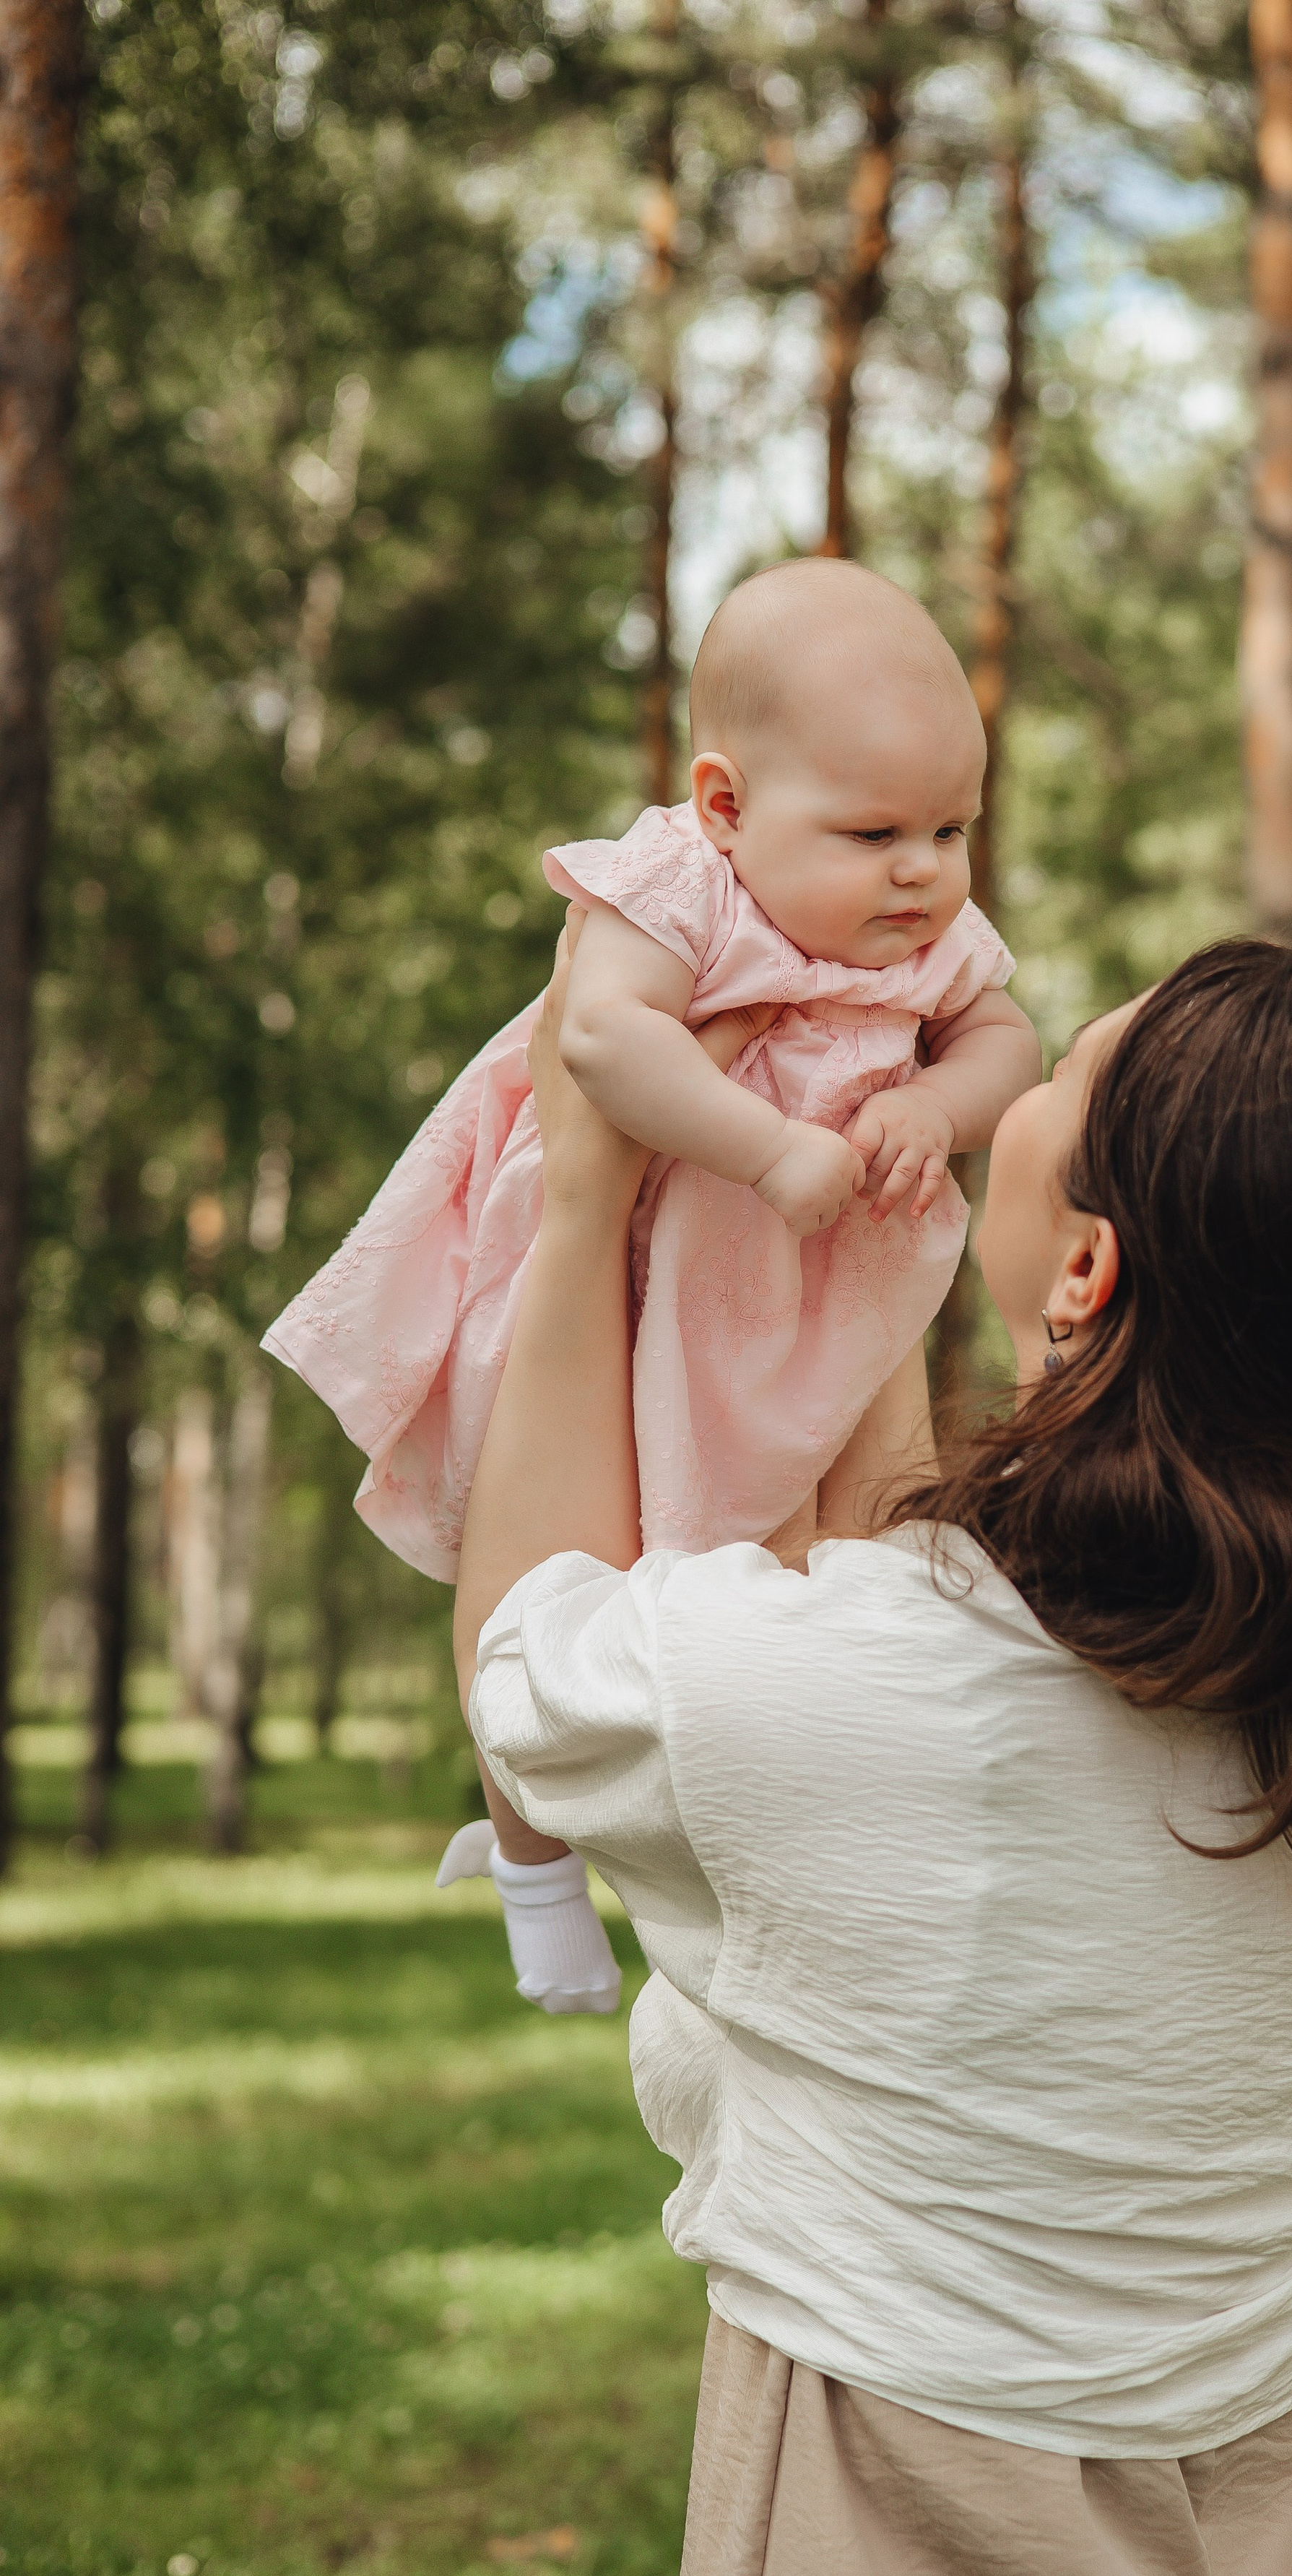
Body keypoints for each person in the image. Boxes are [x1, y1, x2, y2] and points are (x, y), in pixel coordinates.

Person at [457, 926, 1292, 2576]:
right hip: (1283, 2536)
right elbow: (918, 1607)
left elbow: (526, 1674)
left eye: (1051, 1082)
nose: (1004, 1086)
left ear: (1090, 1263)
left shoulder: (865, 1690)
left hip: (908, 2568)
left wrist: (579, 1209)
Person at [264, 556, 1041, 1904]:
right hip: (627, 1277)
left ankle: (804, 1868)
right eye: (874, 836)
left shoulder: (924, 929)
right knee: (562, 1566)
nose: (923, 874)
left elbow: (1007, 1037)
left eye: (952, 830)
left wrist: (933, 1100)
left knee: (849, 1570)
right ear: (725, 804)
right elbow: (606, 1039)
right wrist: (766, 1144)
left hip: (806, 1302)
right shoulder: (683, 887)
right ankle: (531, 1873)